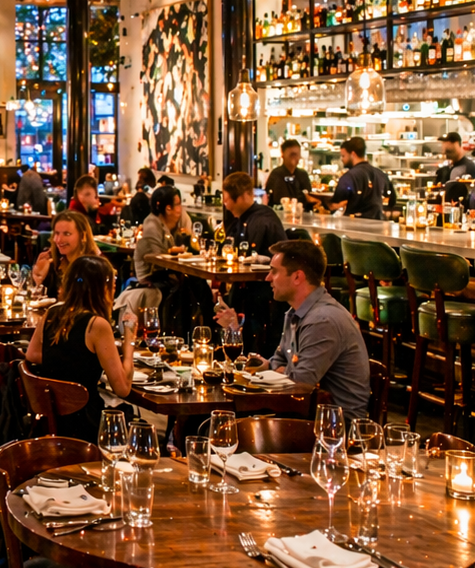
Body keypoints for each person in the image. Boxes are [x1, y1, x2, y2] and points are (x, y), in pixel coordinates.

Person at [218, 239, 372, 420]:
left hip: (333, 426)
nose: (267, 278)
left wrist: (283, 370)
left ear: (297, 277)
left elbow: (299, 385)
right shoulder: (295, 313)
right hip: (303, 411)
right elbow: (279, 361)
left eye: (274, 271)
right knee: (212, 419)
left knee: (222, 423)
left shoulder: (322, 320)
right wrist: (276, 368)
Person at [24, 256, 137, 442]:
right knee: (133, 420)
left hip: (53, 420)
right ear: (103, 288)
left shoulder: (52, 313)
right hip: (87, 424)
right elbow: (122, 388)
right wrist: (129, 340)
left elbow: (33, 354)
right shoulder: (97, 325)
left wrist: (68, 359)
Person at [220, 171, 287, 353]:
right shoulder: (241, 219)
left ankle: (247, 351)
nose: (225, 205)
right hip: (248, 284)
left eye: (227, 200)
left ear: (241, 197)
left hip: (265, 287)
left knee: (238, 299)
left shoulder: (262, 220)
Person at [134, 184, 213, 332]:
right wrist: (174, 251)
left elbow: (193, 243)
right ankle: (183, 332)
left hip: (174, 271)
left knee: (199, 285)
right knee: (188, 288)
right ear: (167, 208)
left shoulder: (182, 217)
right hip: (153, 275)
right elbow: (155, 258)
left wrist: (189, 244)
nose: (180, 208)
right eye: (177, 205)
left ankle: (204, 329)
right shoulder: (152, 224)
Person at [32, 210, 101, 300]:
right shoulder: (53, 263)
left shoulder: (95, 268)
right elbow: (36, 300)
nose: (59, 240)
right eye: (56, 233)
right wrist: (38, 280)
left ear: (82, 236)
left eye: (67, 234)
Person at [326, 136, 385, 219]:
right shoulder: (380, 173)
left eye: (343, 156)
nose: (342, 159)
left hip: (354, 225)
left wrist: (327, 203)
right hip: (378, 224)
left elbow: (336, 202)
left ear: (353, 154)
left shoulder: (349, 177)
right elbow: (392, 200)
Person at [264, 139, 317, 209]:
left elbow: (309, 199)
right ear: (282, 155)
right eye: (292, 155)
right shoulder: (277, 174)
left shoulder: (303, 174)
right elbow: (279, 199)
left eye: (297, 155)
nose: (295, 158)